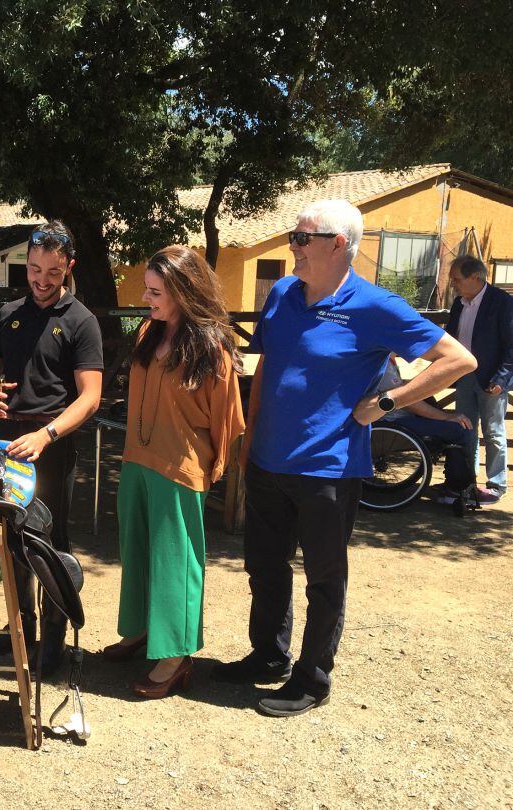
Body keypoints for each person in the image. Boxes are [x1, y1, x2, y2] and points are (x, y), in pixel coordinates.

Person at [211, 199, 476, 717]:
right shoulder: (285, 292)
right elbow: (266, 368)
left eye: (301, 237)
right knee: (264, 566)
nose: (292, 245)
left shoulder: (376, 306)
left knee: (325, 578)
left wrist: (385, 403)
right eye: (293, 236)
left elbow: (459, 360)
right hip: (267, 460)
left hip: (328, 470)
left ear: (338, 245)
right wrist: (249, 433)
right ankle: (268, 655)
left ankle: (311, 679)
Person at [102, 246, 244, 699]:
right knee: (139, 551)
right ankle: (145, 631)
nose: (146, 297)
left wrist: (215, 464)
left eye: (155, 290)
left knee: (175, 563)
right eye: (147, 288)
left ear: (184, 292)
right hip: (137, 460)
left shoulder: (211, 346)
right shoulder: (148, 331)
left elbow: (229, 416)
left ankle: (177, 655)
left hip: (180, 468)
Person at [0, 221, 103, 675]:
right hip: (6, 446)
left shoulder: (81, 321)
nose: (42, 280)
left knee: (48, 544)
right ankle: (19, 634)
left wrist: (47, 436)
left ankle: (53, 641)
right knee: (10, 542)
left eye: (52, 271)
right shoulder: (9, 311)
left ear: (69, 267)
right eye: (33, 269)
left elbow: (90, 398)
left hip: (52, 445)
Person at [446, 255, 513, 503]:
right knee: (465, 429)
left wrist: (502, 379)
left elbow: (511, 346)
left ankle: (496, 485)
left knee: (493, 432)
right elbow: (450, 338)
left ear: (475, 277)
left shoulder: (502, 302)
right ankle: (465, 482)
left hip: (491, 380)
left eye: (457, 279)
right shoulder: (459, 303)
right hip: (463, 376)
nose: (454, 284)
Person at [375, 355, 476, 501]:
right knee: (460, 430)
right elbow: (405, 400)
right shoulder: (382, 364)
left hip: (397, 418)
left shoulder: (384, 360)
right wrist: (445, 416)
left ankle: (458, 482)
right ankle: (456, 487)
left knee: (452, 423)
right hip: (394, 421)